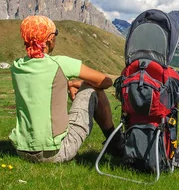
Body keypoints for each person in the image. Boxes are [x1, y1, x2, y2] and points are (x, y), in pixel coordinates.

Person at [9, 15, 124, 163]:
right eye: (55, 34)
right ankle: (115, 144)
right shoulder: (60, 63)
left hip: (22, 150)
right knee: (93, 89)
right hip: (56, 152)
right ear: (49, 39)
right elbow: (106, 82)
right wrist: (81, 83)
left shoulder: (16, 66)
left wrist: (68, 84)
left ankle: (115, 143)